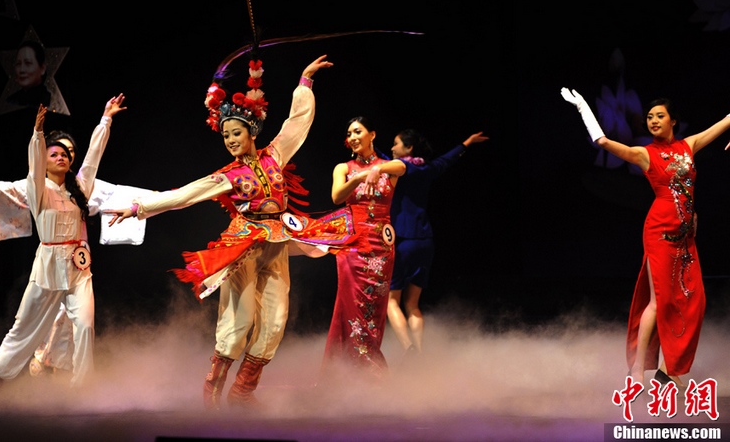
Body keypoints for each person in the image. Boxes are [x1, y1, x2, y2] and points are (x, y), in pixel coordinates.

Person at [107, 56, 336, 410]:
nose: (230, 140)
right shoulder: (228, 176)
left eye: (236, 133)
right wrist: (138, 208)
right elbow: (183, 195)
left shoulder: (276, 155)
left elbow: (297, 122)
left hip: (277, 242)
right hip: (243, 248)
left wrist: (305, 81)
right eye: (226, 135)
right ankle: (212, 392)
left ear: (252, 132)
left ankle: (242, 392)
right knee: (239, 321)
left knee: (275, 323)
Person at [0, 94, 127, 394]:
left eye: (65, 154)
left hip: (79, 269)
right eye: (54, 154)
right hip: (47, 268)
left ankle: (82, 387)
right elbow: (14, 180)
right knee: (23, 325)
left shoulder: (79, 188)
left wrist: (106, 119)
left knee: (85, 325)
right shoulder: (38, 189)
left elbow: (93, 157)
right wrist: (38, 134)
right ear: (45, 161)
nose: (61, 157)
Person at [561, 88, 730, 388]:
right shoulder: (645, 153)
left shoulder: (689, 145)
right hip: (659, 231)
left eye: (659, 116)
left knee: (696, 301)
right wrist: (583, 108)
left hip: (684, 236)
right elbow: (602, 142)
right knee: (658, 301)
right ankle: (638, 369)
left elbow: (725, 121)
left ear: (673, 121)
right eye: (650, 117)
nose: (653, 121)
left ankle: (667, 370)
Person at [385, 129, 489, 360]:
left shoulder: (402, 167)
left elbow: (381, 161)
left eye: (395, 144)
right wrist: (467, 143)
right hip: (425, 242)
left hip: (403, 241)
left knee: (391, 301)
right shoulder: (427, 169)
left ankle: (408, 350)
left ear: (409, 148)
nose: (392, 148)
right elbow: (446, 160)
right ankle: (420, 353)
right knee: (413, 305)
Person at [321, 116, 406, 385]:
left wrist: (376, 170)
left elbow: (402, 166)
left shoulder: (388, 168)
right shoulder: (343, 168)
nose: (353, 137)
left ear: (372, 135)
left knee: (375, 308)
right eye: (349, 133)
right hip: (352, 245)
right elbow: (337, 197)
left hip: (381, 248)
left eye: (358, 131)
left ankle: (356, 371)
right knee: (352, 306)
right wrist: (358, 176)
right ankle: (368, 373)